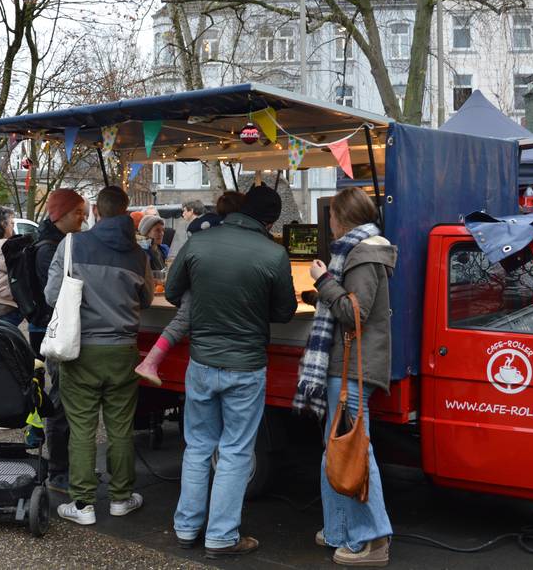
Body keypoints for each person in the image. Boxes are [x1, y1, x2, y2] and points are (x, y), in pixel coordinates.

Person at [164, 186, 295, 558]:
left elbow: (174, 293)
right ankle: (221, 536)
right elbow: (284, 312)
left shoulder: (200, 242)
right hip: (246, 365)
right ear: (269, 221)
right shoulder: (274, 253)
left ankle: (186, 527)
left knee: (198, 446)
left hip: (202, 361)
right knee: (236, 451)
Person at [45, 186, 153, 526]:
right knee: (121, 428)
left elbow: (51, 296)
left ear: (95, 210)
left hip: (82, 351)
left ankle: (83, 505)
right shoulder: (139, 254)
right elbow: (147, 299)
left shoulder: (73, 245)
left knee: (82, 429)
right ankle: (121, 498)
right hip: (123, 351)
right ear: (126, 212)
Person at [304, 187, 395, 566]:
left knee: (353, 451)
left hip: (353, 367)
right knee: (339, 449)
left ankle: (372, 539)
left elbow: (353, 312)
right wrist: (321, 295)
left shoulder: (362, 253)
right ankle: (341, 529)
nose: (329, 222)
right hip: (352, 365)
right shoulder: (363, 251)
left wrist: (323, 280)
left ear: (341, 217)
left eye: (331, 216)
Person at [28, 188, 87, 493]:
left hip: (57, 331)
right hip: (57, 335)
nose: (84, 218)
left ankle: (70, 468)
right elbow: (54, 296)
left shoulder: (58, 242)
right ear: (62, 214)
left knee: (67, 402)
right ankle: (59, 470)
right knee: (61, 404)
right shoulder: (51, 248)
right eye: (79, 212)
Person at [134, 197, 225, 386]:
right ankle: (150, 362)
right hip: (216, 350)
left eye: (161, 229)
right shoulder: (145, 252)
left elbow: (173, 286)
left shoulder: (180, 251)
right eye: (156, 230)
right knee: (184, 317)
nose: (160, 233)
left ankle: (150, 361)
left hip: (205, 347)